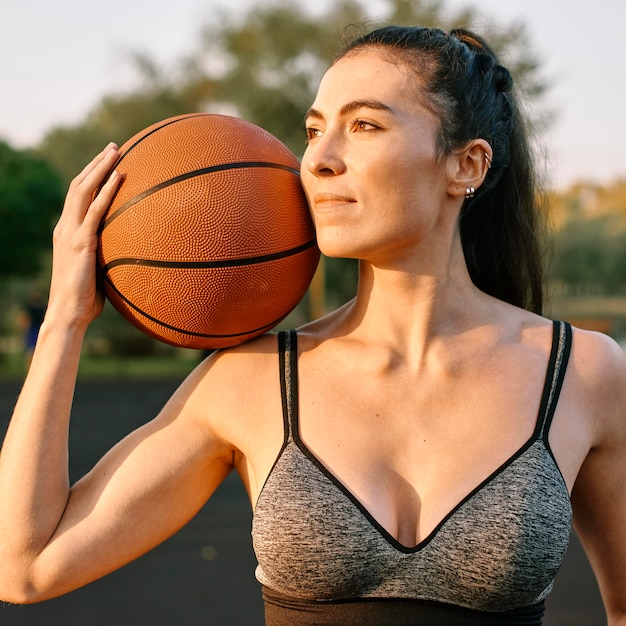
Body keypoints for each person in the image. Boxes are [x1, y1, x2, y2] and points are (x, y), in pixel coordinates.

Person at [0, 25, 625, 626]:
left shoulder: (584, 375)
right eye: (313, 130)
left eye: (364, 126)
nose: (319, 160)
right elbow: (25, 566)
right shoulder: (251, 380)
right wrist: (64, 319)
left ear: (466, 166)